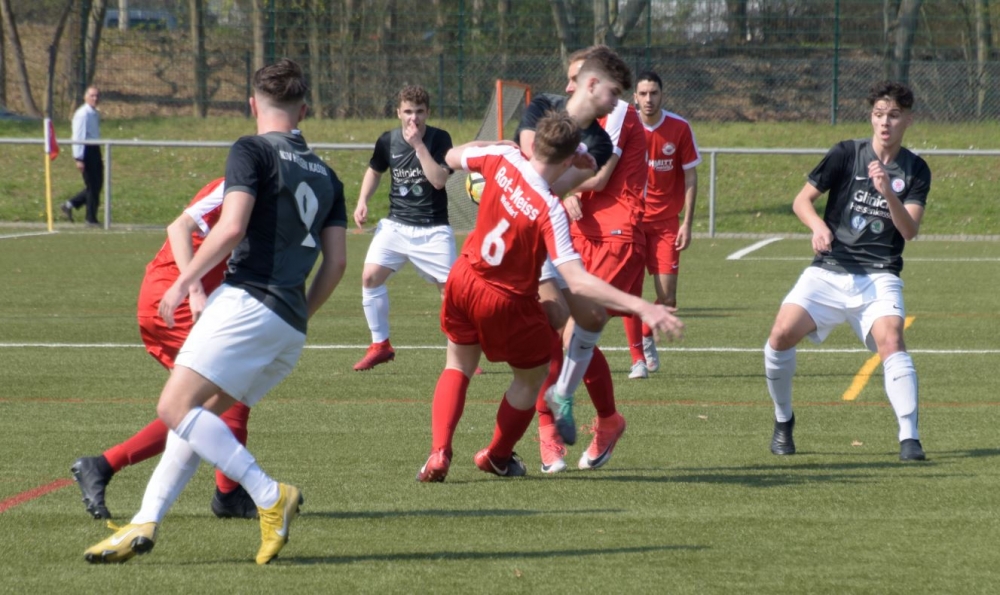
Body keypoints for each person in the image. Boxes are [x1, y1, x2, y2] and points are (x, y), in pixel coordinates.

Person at [83, 58, 348, 565]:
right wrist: (300, 313)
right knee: (199, 417)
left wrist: (185, 282)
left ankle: (269, 494)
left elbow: (230, 228)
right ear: (304, 111)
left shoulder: (251, 149)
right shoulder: (329, 177)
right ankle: (145, 520)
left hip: (247, 300)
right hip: (288, 323)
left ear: (252, 105)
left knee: (173, 408)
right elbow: (336, 263)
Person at [416, 112, 683, 482]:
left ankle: (439, 453)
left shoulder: (503, 157)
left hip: (465, 278)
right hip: (507, 300)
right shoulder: (549, 209)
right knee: (532, 377)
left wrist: (493, 145)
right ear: (569, 158)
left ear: (535, 141)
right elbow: (577, 279)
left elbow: (451, 156)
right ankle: (497, 455)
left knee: (458, 366)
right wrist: (641, 306)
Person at [71, 177, 258, 522]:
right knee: (223, 396)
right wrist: (194, 289)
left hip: (181, 298)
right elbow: (178, 227)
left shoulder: (268, 189)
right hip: (176, 299)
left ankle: (227, 493)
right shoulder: (238, 181)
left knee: (210, 403)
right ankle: (105, 466)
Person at [764, 81, 930, 462]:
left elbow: (910, 230)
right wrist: (818, 228)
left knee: (892, 340)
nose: (885, 122)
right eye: (879, 114)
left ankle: (910, 437)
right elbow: (801, 201)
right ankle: (783, 419)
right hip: (829, 269)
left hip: (879, 274)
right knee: (780, 334)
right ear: (871, 117)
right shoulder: (846, 153)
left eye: (894, 115)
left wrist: (888, 192)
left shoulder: (916, 169)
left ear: (908, 120)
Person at [516, 46, 644, 474]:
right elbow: (531, 166)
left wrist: (565, 182)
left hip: (578, 235)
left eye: (575, 78)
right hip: (533, 231)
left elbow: (563, 179)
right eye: (568, 79)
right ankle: (546, 429)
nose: (568, 87)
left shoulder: (604, 134)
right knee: (553, 329)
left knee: (578, 324)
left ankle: (587, 419)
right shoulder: (543, 108)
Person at [352, 85, 454, 371]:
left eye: (419, 112)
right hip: (396, 225)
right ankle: (380, 345)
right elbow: (375, 170)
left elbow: (438, 181)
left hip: (433, 228)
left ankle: (462, 351)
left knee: (451, 293)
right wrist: (362, 200)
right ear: (398, 112)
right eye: (408, 111)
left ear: (428, 112)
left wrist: (419, 146)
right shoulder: (387, 141)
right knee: (370, 277)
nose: (413, 118)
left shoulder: (439, 139)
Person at [622, 71, 701, 378]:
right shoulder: (625, 126)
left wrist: (687, 223)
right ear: (635, 97)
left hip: (667, 223)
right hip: (631, 221)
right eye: (643, 94)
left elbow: (691, 176)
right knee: (631, 292)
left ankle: (646, 332)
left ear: (662, 95)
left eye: (653, 93)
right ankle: (637, 359)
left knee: (668, 297)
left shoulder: (679, 127)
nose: (648, 99)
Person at [61, 86, 102, 226]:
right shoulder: (82, 114)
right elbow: (78, 136)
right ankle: (90, 218)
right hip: (86, 150)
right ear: (85, 97)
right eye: (92, 96)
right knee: (92, 185)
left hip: (95, 149)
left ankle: (70, 204)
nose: (95, 98)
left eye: (97, 96)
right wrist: (79, 158)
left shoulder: (94, 113)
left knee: (96, 185)